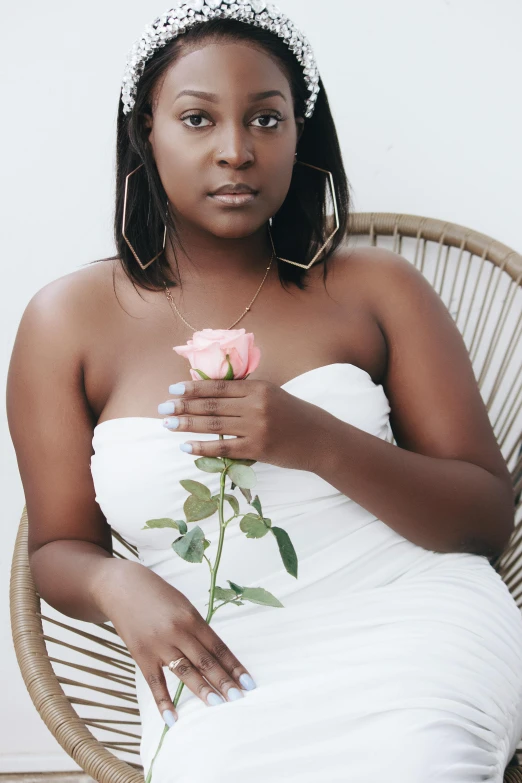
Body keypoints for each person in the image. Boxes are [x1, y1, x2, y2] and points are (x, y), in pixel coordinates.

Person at [6, 1, 522, 780]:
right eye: (197, 119)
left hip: (412, 619)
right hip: (217, 651)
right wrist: (117, 582)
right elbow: (55, 548)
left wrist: (313, 439)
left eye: (267, 121)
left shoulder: (377, 287)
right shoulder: (65, 322)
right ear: (145, 131)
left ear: (300, 136)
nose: (237, 152)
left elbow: (483, 518)